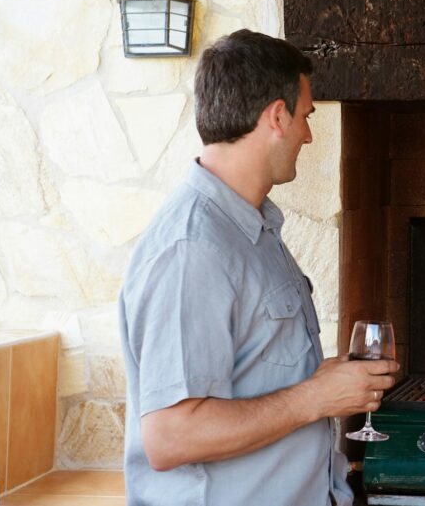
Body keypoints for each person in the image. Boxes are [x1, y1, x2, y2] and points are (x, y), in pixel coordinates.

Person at [119, 30, 397, 506]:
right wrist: (315, 398)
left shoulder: (253, 227)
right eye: (306, 117)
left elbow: (256, 371)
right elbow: (170, 438)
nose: (308, 135)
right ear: (276, 116)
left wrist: (322, 380)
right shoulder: (192, 249)